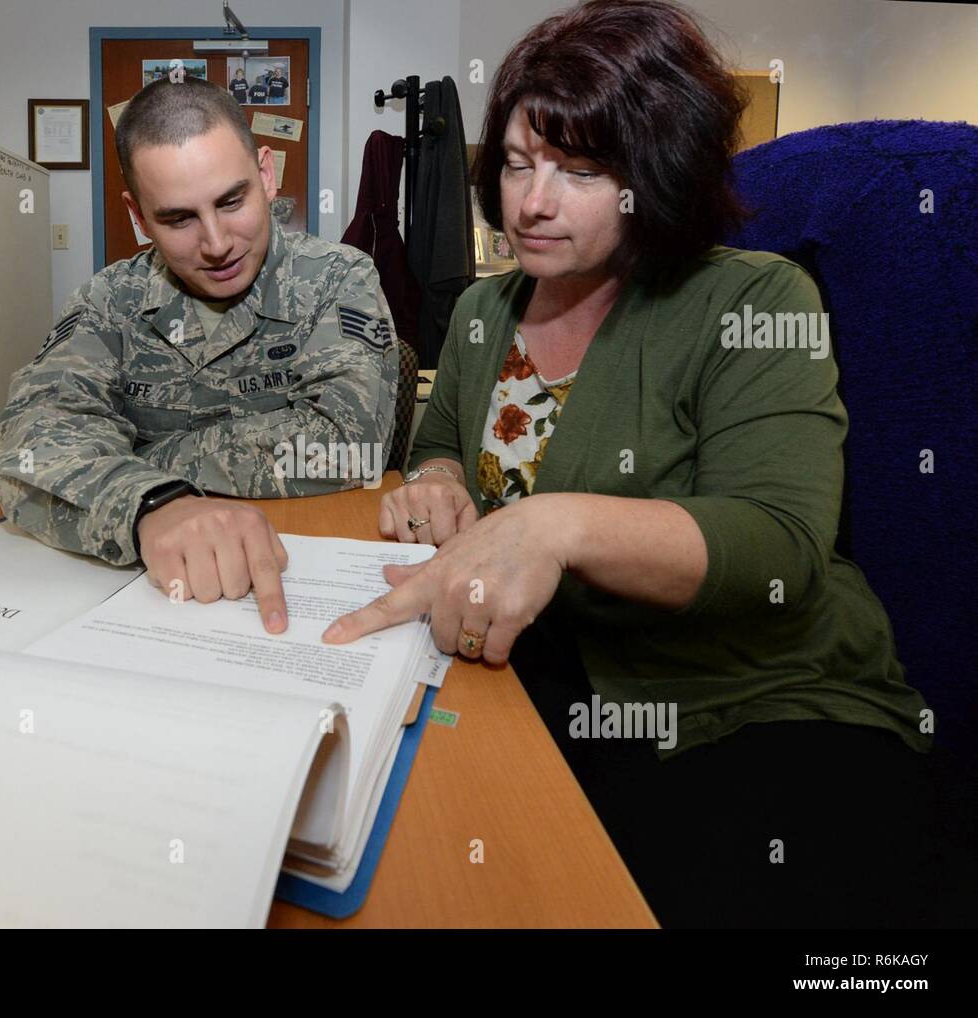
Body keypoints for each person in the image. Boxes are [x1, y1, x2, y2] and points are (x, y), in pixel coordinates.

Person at [324, 0, 937, 928]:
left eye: (580, 171)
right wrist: (440, 482)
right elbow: (440, 440)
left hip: (757, 700)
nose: (531, 201)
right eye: (521, 164)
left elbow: (778, 546)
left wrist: (553, 523)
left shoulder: (756, 296)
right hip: (559, 682)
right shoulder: (488, 312)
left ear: (653, 177)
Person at [0, 76, 398, 635]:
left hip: (305, 580)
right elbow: (29, 447)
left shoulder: (337, 277)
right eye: (179, 219)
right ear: (137, 215)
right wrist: (151, 503)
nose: (216, 242)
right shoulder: (109, 301)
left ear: (266, 173)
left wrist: (141, 456)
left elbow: (351, 446)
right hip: (148, 594)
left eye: (232, 201)